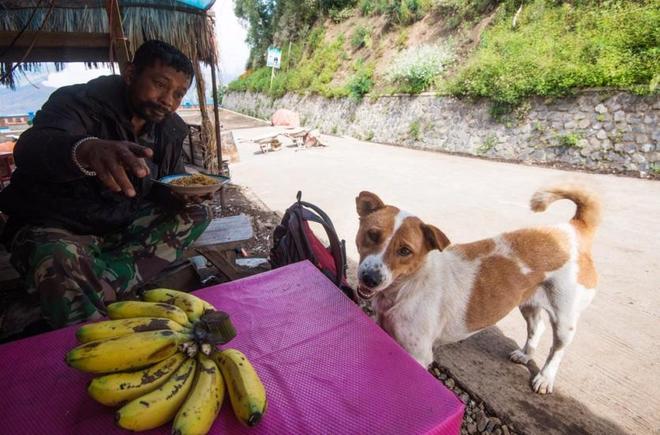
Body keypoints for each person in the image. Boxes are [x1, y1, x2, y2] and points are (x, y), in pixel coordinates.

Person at [0, 40, 212, 329]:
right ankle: (96, 318)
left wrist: (184, 196)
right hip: (57, 225)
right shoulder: (79, 103)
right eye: (160, 84)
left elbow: (167, 186)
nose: (168, 100)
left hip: (118, 226)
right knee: (58, 258)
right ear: (130, 74)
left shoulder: (171, 128)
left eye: (178, 93)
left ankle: (96, 286)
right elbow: (29, 150)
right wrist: (86, 150)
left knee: (197, 216)